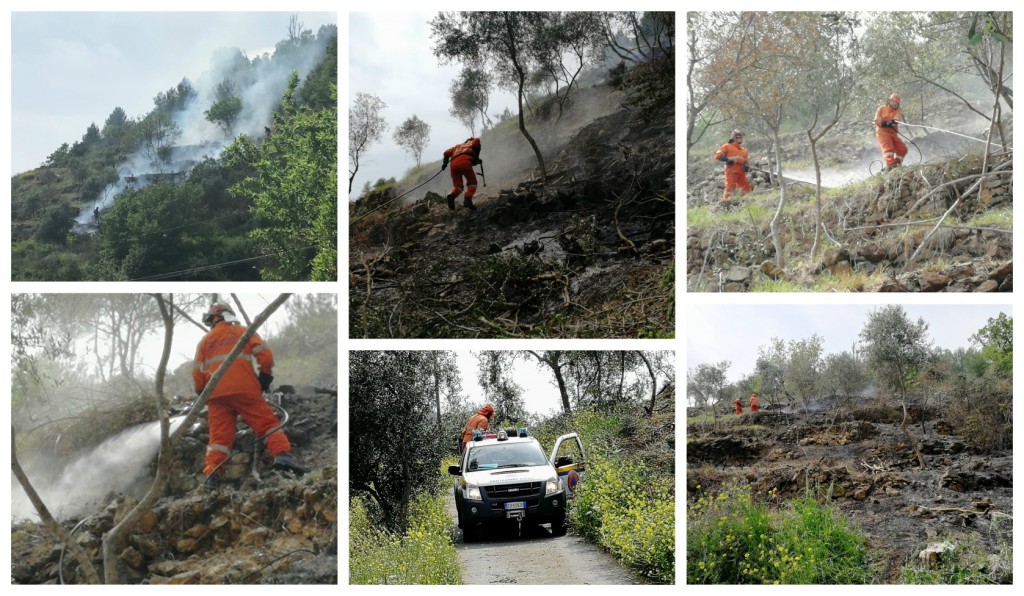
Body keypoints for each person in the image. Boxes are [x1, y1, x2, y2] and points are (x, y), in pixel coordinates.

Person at [192, 303, 305, 490]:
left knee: (218, 439)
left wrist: (203, 392)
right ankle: (283, 456)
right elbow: (266, 356)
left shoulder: (204, 341)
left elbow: (197, 374)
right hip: (245, 390)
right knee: (266, 424)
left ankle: (212, 475)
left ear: (214, 318)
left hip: (216, 395)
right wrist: (265, 377)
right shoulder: (243, 331)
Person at [441, 137, 482, 211]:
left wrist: (444, 163)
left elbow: (446, 152)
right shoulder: (473, 142)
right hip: (465, 163)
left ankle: (451, 195)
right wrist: (477, 159)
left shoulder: (457, 146)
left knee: (457, 185)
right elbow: (476, 142)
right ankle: (467, 200)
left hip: (453, 165)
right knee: (472, 182)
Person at [713, 129, 752, 201]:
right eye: (739, 137)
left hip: (741, 171)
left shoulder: (744, 150)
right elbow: (717, 155)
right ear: (734, 138)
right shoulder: (727, 146)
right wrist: (726, 160)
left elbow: (746, 161)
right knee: (730, 187)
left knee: (746, 187)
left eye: (741, 137)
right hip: (731, 170)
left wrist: (747, 166)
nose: (740, 139)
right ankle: (725, 202)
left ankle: (748, 202)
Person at [874, 93, 907, 171]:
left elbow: (897, 118)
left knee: (902, 149)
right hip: (882, 133)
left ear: (898, 104)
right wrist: (883, 123)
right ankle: (890, 167)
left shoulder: (898, 111)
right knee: (889, 150)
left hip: (893, 133)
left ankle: (895, 165)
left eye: (896, 102)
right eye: (893, 101)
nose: (894, 103)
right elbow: (877, 119)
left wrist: (893, 122)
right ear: (889, 100)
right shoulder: (881, 108)